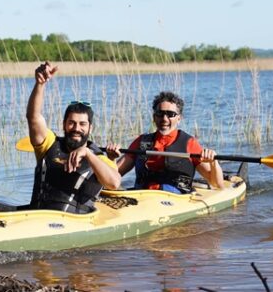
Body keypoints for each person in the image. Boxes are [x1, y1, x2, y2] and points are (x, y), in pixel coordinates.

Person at [26, 61, 121, 214]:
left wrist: (87, 153)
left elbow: (114, 183)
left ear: (90, 128)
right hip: (37, 217)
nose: (76, 129)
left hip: (73, 222)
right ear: (64, 124)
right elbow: (33, 117)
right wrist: (40, 84)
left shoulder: (98, 157)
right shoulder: (48, 144)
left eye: (82, 124)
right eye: (72, 123)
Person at [105, 91, 224, 193]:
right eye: (160, 114)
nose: (164, 119)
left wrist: (213, 163)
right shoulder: (140, 142)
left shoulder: (190, 144)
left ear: (179, 118)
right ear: (154, 117)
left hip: (176, 199)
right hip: (141, 197)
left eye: (171, 114)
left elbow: (217, 184)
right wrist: (111, 159)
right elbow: (111, 178)